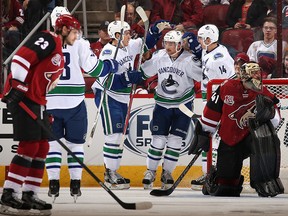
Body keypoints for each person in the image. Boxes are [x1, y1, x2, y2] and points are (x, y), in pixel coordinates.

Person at [0, 14, 81, 215]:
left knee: (43, 145)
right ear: (63, 29)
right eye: (73, 32)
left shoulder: (60, 50)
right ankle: (9, 194)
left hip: (38, 101)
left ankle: (29, 193)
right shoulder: (48, 39)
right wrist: (17, 88)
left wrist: (44, 105)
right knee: (29, 145)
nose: (76, 36)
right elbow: (19, 58)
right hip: (23, 98)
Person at [45, 6, 119, 202]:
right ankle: (75, 184)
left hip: (50, 101)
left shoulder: (44, 42)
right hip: (75, 103)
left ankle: (53, 183)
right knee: (75, 144)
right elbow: (93, 69)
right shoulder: (79, 41)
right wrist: (111, 66)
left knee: (53, 144)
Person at [91, 19, 171, 190]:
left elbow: (145, 43)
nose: (130, 35)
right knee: (113, 135)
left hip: (123, 98)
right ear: (117, 36)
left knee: (120, 137)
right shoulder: (108, 51)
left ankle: (114, 172)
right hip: (108, 96)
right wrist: (127, 78)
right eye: (126, 33)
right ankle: (109, 174)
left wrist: (155, 30)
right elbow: (108, 81)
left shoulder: (129, 45)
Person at [188, 62, 284, 197]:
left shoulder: (263, 92)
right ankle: (216, 179)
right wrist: (204, 132)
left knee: (266, 138)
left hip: (252, 137)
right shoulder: (227, 87)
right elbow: (212, 111)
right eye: (253, 73)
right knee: (226, 189)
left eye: (258, 72)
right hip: (230, 138)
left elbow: (275, 120)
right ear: (244, 76)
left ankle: (265, 180)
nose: (257, 76)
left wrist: (270, 113)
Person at [140, 30, 202, 189]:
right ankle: (151, 171)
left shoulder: (188, 60)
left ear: (180, 44)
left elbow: (202, 75)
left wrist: (199, 54)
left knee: (175, 141)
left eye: (172, 43)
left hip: (183, 105)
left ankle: (167, 172)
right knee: (158, 140)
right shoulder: (159, 56)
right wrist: (143, 58)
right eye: (167, 43)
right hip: (162, 105)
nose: (168, 46)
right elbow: (144, 71)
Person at [190, 24, 236, 189]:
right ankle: (208, 172)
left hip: (218, 103)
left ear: (209, 40)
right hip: (209, 100)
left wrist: (218, 108)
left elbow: (228, 86)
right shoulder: (209, 50)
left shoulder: (220, 59)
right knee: (207, 137)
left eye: (201, 39)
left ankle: (215, 174)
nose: (199, 42)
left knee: (215, 140)